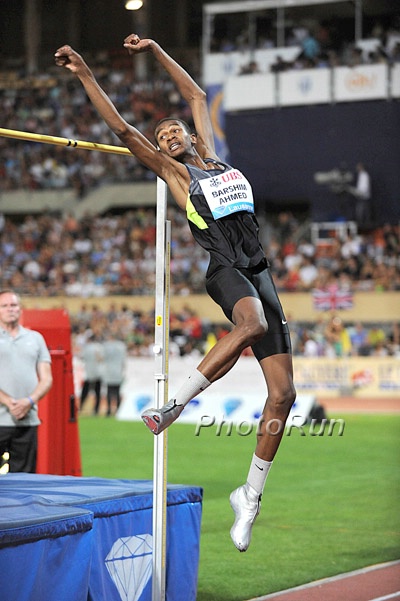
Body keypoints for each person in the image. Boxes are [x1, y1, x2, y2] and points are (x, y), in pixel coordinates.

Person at [55, 34, 296, 552]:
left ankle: (249, 496)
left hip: (260, 272)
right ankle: (173, 406)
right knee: (249, 325)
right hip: (225, 269)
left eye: (173, 132)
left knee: (284, 395)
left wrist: (157, 49)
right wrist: (85, 75)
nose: (166, 137)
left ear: (189, 135)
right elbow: (121, 127)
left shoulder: (219, 160)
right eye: (161, 136)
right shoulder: (178, 174)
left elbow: (195, 96)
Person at [0, 290, 53, 473]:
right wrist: (9, 401)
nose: (10, 309)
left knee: (24, 480)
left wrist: (28, 401)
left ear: (20, 309)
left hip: (27, 420)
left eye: (13, 305)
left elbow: (46, 378)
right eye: (4, 305)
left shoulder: (35, 338)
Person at [102, 333, 127, 416]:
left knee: (109, 391)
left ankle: (109, 410)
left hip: (109, 371)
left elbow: (102, 358)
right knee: (117, 391)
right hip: (118, 371)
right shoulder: (122, 346)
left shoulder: (106, 346)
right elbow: (124, 361)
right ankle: (118, 410)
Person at [80, 333, 104, 415]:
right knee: (97, 392)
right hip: (98, 372)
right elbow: (102, 359)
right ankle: (96, 409)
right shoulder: (99, 347)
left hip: (88, 372)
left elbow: (82, 357)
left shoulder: (86, 348)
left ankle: (80, 407)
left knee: (85, 391)